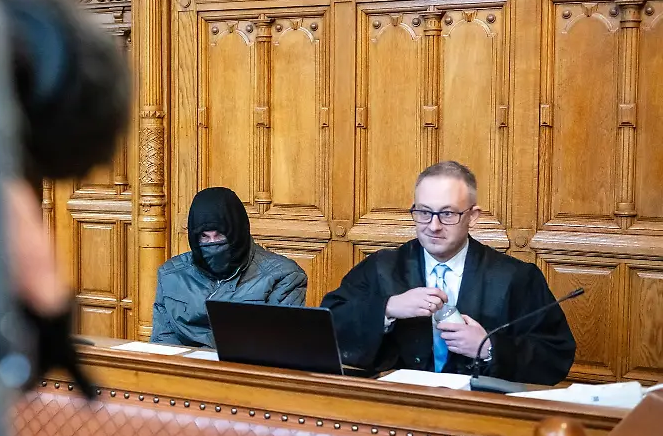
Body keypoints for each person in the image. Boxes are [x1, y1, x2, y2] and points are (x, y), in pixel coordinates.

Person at [321, 161, 575, 385]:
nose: (433, 226)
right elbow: (328, 327)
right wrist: (387, 308)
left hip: (481, 410)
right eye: (424, 212)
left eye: (447, 213)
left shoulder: (515, 278)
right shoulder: (382, 267)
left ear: (472, 216)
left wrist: (489, 349)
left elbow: (555, 355)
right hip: (398, 405)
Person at [150, 187, 308, 348]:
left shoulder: (283, 275)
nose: (213, 244)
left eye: (220, 235)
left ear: (237, 232)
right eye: (204, 237)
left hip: (243, 362)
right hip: (183, 362)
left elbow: (279, 345)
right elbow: (163, 341)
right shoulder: (171, 275)